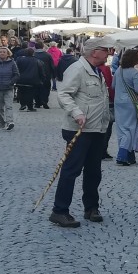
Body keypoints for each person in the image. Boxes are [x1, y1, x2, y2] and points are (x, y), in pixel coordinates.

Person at [52, 37, 115, 227]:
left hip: (96, 128)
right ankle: (59, 210)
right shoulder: (77, 69)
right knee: (71, 170)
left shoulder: (97, 70)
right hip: (79, 129)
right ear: (95, 52)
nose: (109, 53)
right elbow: (63, 94)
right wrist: (77, 113)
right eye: (106, 49)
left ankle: (91, 207)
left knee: (93, 172)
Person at [113, 49, 138, 165]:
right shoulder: (134, 72)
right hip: (131, 103)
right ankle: (121, 156)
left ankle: (130, 156)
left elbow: (113, 86)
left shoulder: (118, 71)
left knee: (122, 128)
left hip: (118, 102)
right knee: (131, 128)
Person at [0, 45, 20, 131]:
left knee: (9, 106)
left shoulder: (12, 62)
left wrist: (11, 83)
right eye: (0, 52)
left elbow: (16, 74)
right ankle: (2, 122)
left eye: (4, 52)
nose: (2, 53)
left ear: (8, 54)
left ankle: (10, 122)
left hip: (8, 88)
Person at [15, 45, 42, 111]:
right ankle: (30, 107)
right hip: (32, 79)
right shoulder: (36, 60)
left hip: (21, 79)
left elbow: (15, 68)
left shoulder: (19, 59)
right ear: (33, 53)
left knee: (21, 91)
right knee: (30, 93)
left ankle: (22, 104)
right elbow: (40, 70)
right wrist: (41, 78)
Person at [33, 41, 54, 108]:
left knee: (36, 89)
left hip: (35, 74)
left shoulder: (33, 55)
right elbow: (52, 65)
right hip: (46, 74)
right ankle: (44, 101)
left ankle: (37, 102)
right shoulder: (48, 55)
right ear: (42, 47)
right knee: (46, 88)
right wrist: (53, 74)